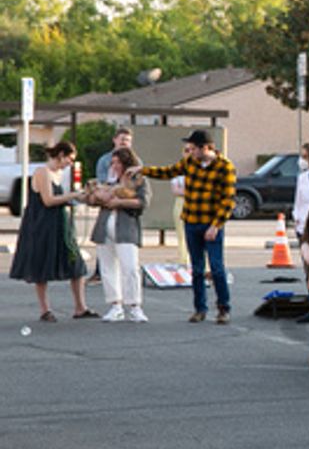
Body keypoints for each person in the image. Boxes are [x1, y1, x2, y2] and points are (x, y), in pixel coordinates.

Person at [138, 129, 237, 324]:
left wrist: (216, 225)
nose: (190, 152)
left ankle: (223, 308)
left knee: (216, 268)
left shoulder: (225, 167)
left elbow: (228, 200)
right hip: (192, 221)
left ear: (205, 148)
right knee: (197, 268)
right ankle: (200, 308)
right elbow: (168, 172)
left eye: (193, 148)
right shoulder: (190, 162)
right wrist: (142, 170)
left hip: (211, 224)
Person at [8, 141, 95, 321]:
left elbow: (59, 199)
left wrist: (79, 198)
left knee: (75, 264)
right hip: (41, 225)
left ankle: (80, 307)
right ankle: (45, 310)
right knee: (41, 265)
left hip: (60, 224)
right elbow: (48, 200)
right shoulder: (42, 172)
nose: (70, 163)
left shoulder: (59, 173)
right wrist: (73, 195)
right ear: (61, 155)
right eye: (69, 159)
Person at [88, 146, 151, 323]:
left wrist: (119, 202)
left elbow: (143, 202)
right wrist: (95, 197)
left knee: (130, 267)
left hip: (126, 227)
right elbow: (92, 199)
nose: (114, 165)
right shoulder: (107, 179)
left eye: (117, 162)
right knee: (108, 268)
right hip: (104, 227)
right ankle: (115, 305)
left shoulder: (138, 180)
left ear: (126, 163)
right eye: (112, 162)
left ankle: (135, 306)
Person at [91, 126, 134, 285]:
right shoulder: (104, 160)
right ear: (114, 140)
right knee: (105, 240)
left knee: (126, 248)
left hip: (127, 212)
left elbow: (137, 188)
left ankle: (128, 288)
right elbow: (102, 183)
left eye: (128, 141)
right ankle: (99, 272)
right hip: (107, 206)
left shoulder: (136, 162)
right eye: (122, 140)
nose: (125, 143)